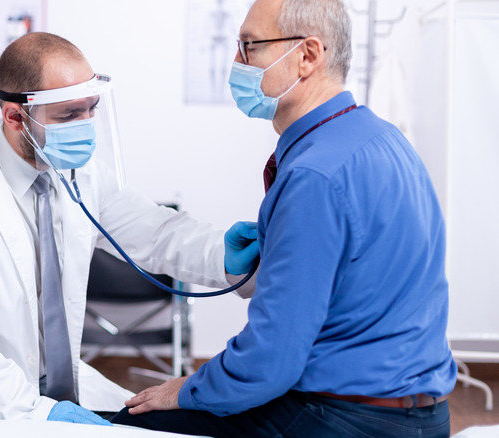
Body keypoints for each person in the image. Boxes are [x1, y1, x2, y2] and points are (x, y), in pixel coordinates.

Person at [113, 0, 457, 437]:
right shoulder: (384, 140)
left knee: (130, 423)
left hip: (347, 419)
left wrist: (186, 389)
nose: (235, 62)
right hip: (421, 415)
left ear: (308, 55)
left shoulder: (314, 174)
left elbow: (270, 361)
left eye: (249, 46)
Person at [0, 32, 258, 426]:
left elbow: (154, 231)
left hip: (51, 386)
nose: (85, 127)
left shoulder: (80, 174)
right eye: (68, 115)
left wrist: (223, 254)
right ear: (15, 117)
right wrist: (35, 412)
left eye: (91, 109)